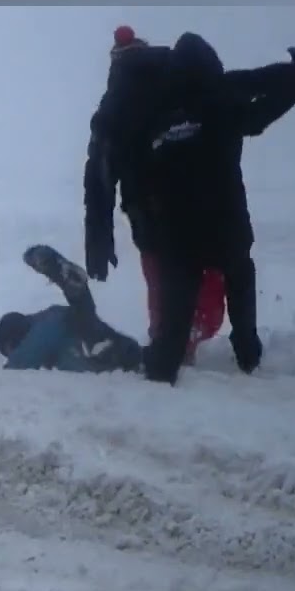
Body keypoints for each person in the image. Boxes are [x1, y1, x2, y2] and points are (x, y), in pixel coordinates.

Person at [138, 34, 295, 384]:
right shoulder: (220, 100)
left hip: (177, 228)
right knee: (239, 279)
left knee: (176, 305)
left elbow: (255, 79)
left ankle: (163, 371)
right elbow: (261, 109)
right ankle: (248, 357)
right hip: (224, 220)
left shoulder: (159, 109)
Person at [84, 25, 226, 364]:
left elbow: (100, 174)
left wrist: (99, 237)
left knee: (161, 275)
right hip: (204, 201)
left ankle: (171, 342)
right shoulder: (185, 80)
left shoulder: (116, 102)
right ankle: (196, 332)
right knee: (206, 268)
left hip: (149, 209)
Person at [0, 245, 143, 373]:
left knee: (90, 334)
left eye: (9, 351)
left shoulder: (39, 329)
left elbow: (24, 359)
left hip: (100, 351)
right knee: (88, 325)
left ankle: (74, 288)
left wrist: (8, 371)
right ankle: (74, 288)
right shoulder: (46, 324)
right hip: (100, 344)